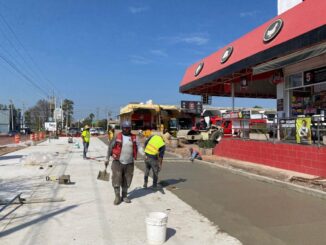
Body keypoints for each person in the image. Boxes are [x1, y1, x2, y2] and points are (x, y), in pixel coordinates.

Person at [106, 121, 143, 205]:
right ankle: (117, 197)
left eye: (128, 128)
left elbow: (139, 146)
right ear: (122, 128)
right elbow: (110, 148)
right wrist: (107, 158)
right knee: (117, 179)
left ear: (130, 128)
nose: (126, 129)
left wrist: (144, 154)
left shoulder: (134, 137)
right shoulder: (117, 136)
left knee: (127, 180)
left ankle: (125, 196)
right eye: (125, 128)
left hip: (129, 162)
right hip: (117, 162)